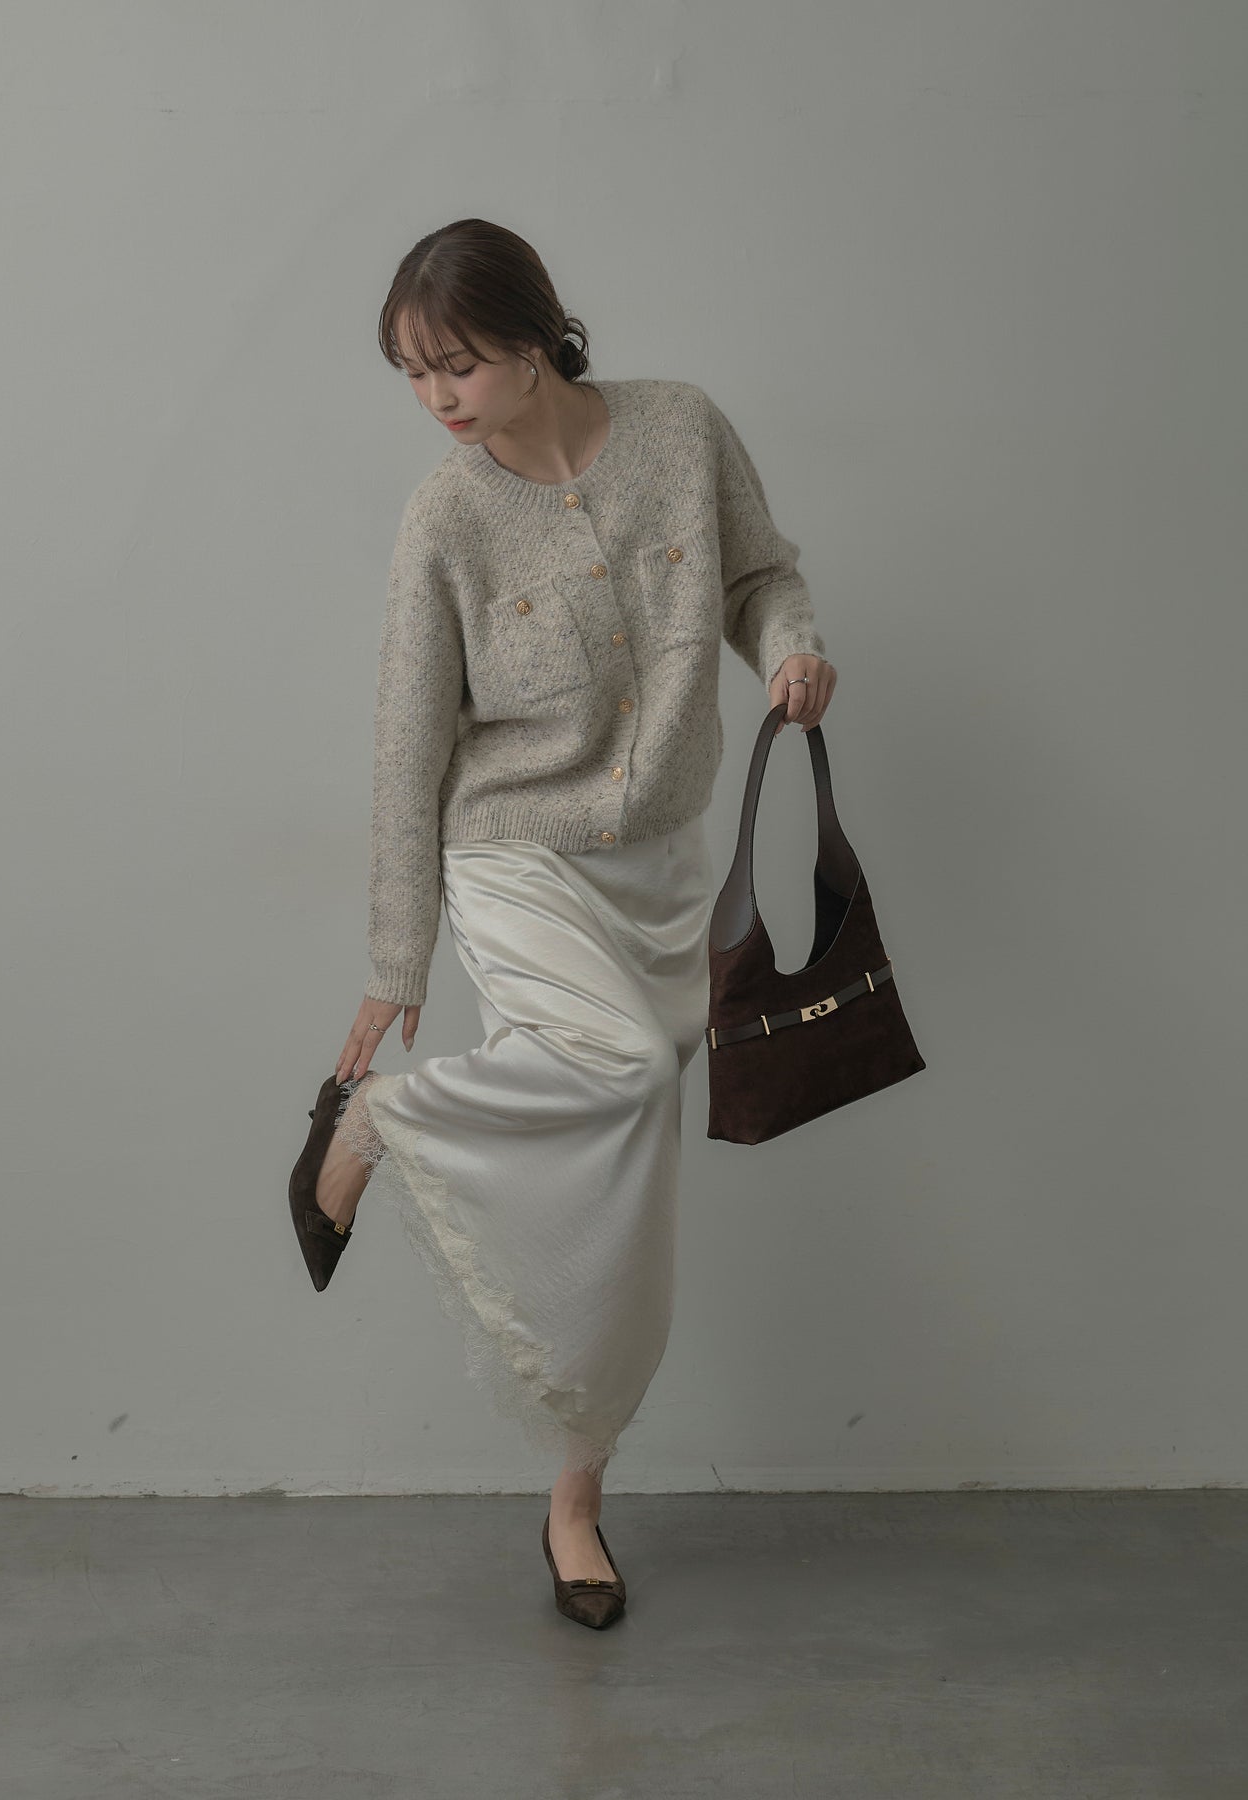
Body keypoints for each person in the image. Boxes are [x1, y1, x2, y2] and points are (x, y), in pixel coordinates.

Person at [296, 218, 836, 1624]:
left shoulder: (679, 431)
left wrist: (789, 650)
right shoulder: (447, 516)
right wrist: (397, 956)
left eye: (458, 364)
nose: (437, 398)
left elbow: (755, 578)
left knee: (624, 1180)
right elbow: (409, 745)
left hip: (658, 862)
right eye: (413, 373)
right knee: (622, 1067)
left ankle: (575, 1499)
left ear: (536, 339)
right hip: (511, 849)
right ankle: (374, 1122)